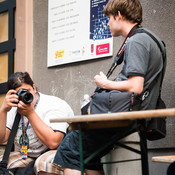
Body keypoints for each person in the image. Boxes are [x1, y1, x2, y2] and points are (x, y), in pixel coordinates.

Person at [53, 0, 165, 174]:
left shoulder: (136, 41)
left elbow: (136, 86)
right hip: (136, 114)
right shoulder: (150, 38)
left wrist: (105, 84)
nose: (107, 23)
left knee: (70, 147)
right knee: (88, 155)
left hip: (126, 115)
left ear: (119, 15)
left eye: (109, 18)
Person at [0, 72, 74, 175]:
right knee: (2, 163)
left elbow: (54, 142)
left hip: (59, 152)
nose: (23, 97)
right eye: (19, 95)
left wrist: (30, 114)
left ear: (34, 88)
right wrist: (3, 110)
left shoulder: (54, 104)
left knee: (42, 164)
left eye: (27, 92)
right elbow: (2, 138)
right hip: (28, 155)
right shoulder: (13, 107)